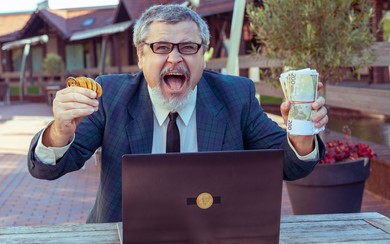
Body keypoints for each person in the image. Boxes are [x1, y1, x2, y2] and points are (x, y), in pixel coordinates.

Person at [28, 4, 327, 223]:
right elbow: (48, 169)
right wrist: (60, 130)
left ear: (203, 56)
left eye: (187, 46)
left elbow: (290, 166)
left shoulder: (237, 96)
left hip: (214, 239)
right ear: (141, 55)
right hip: (121, 241)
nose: (174, 57)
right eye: (160, 47)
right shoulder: (112, 96)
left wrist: (302, 135)